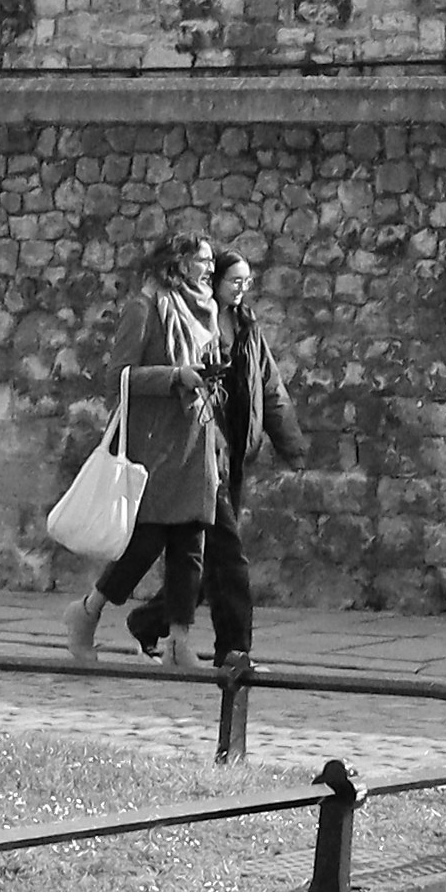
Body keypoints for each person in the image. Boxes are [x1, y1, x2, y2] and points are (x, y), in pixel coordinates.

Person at [71, 232, 227, 659]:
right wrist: (176, 376)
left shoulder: (207, 312)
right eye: (202, 260)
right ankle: (87, 611)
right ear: (178, 262)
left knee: (190, 544)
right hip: (155, 443)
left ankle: (178, 642)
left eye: (211, 261)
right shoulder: (144, 307)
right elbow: (119, 376)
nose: (210, 268)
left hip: (195, 441)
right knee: (146, 542)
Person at [189, 241, 303, 665]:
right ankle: (235, 650)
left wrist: (290, 443)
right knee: (229, 554)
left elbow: (270, 387)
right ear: (215, 280)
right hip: (202, 452)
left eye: (247, 282)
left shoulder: (248, 328)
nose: (241, 288)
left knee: (204, 555)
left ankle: (150, 621)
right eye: (235, 280)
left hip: (234, 453)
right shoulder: (198, 325)